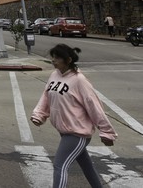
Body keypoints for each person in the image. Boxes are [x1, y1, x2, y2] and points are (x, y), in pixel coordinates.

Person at [31, 44, 116, 188]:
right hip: (64, 131)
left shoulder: (79, 80)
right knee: (86, 166)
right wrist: (39, 114)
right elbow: (46, 96)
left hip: (78, 133)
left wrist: (106, 132)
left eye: (57, 58)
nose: (53, 60)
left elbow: (94, 106)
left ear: (68, 60)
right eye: (53, 57)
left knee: (60, 166)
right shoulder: (54, 75)